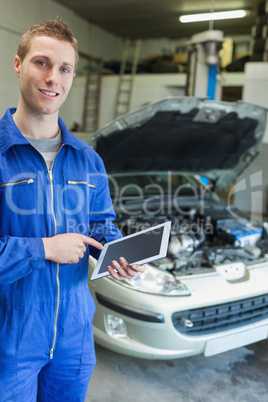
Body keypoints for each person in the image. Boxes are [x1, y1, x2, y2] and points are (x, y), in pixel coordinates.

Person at [0, 17, 145, 401]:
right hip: (10, 335)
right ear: (18, 65)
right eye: (42, 63)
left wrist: (115, 252)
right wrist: (46, 248)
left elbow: (100, 226)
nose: (53, 78)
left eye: (65, 69)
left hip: (74, 334)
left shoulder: (88, 160)